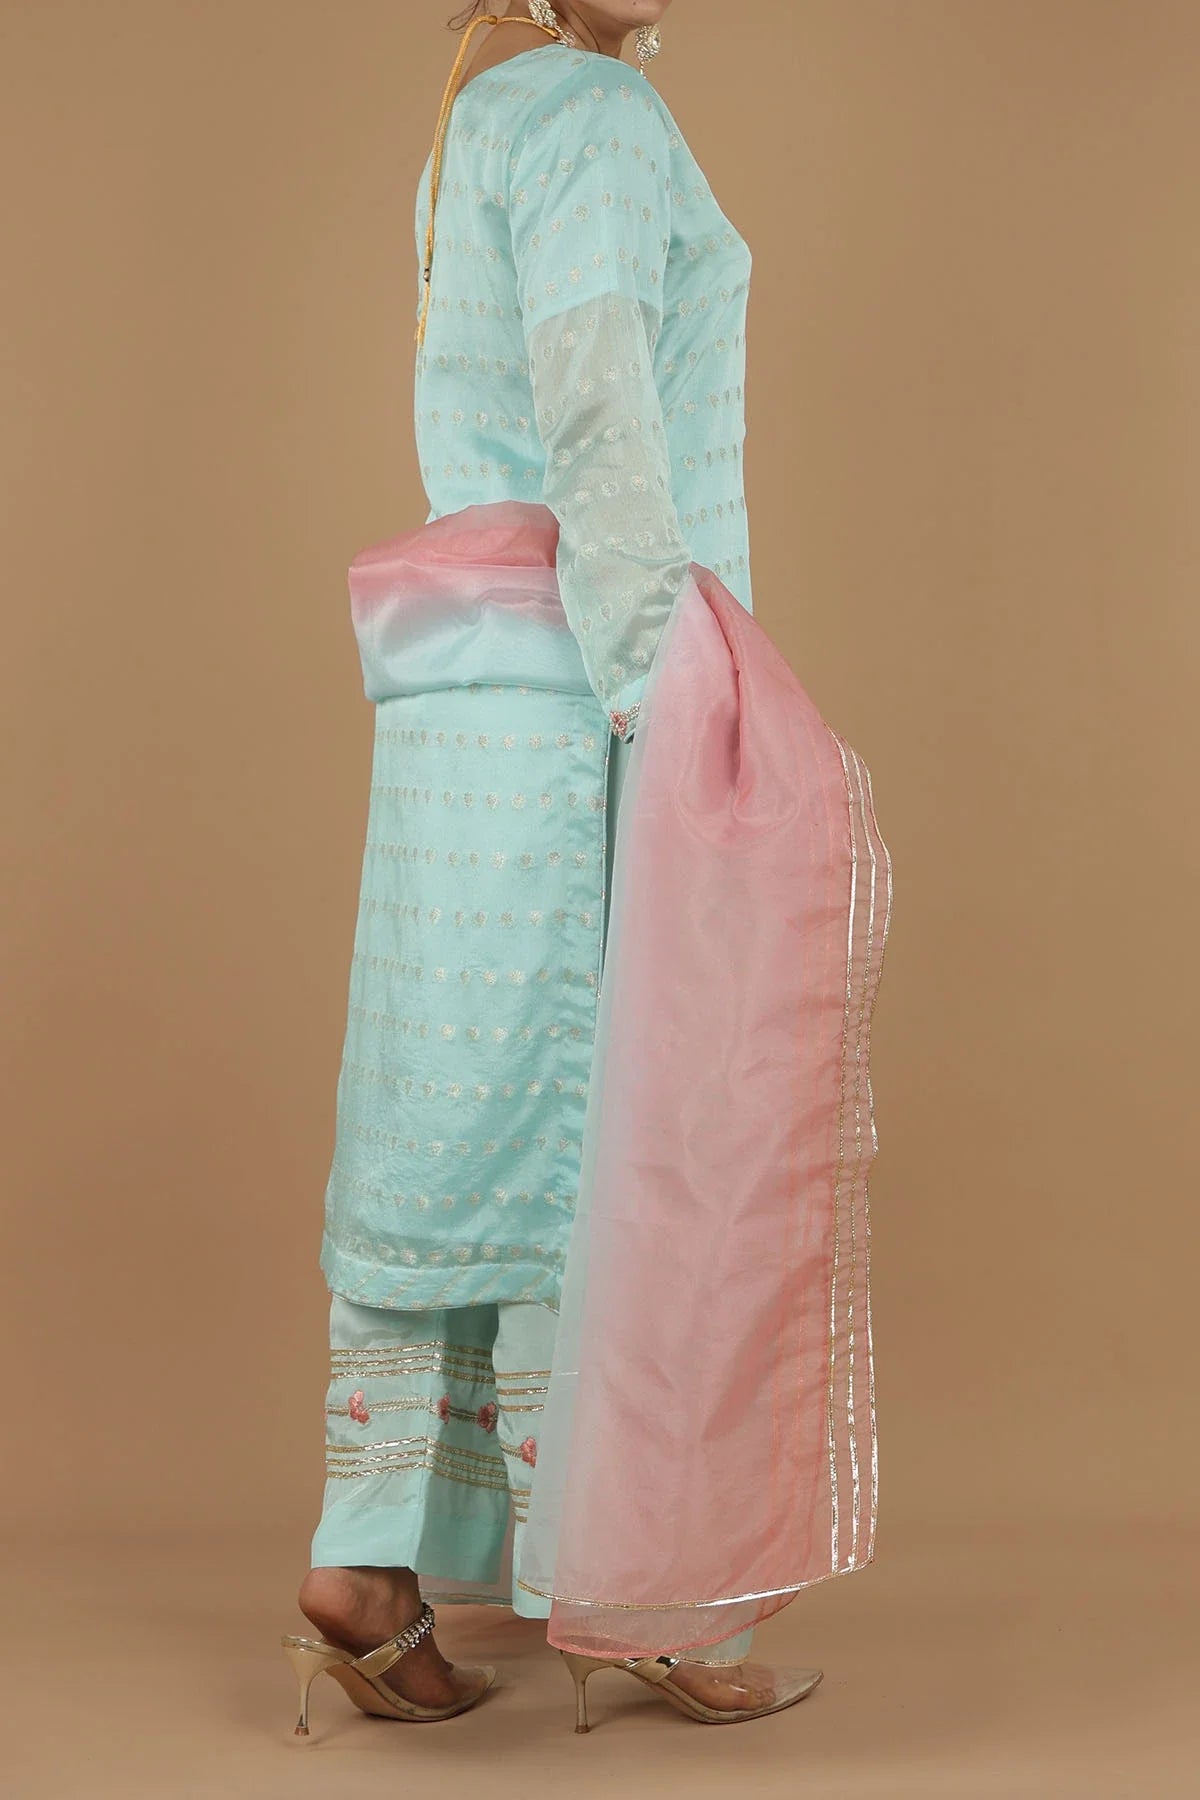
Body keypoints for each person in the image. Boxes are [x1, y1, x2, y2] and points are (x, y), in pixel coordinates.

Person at [282, 0, 891, 1738]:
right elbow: (599, 400)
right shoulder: (597, 120)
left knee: (461, 1109)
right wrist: (668, 682)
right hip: (583, 680)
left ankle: (364, 1569)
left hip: (462, 693)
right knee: (621, 1115)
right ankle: (635, 1588)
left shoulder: (481, 108)